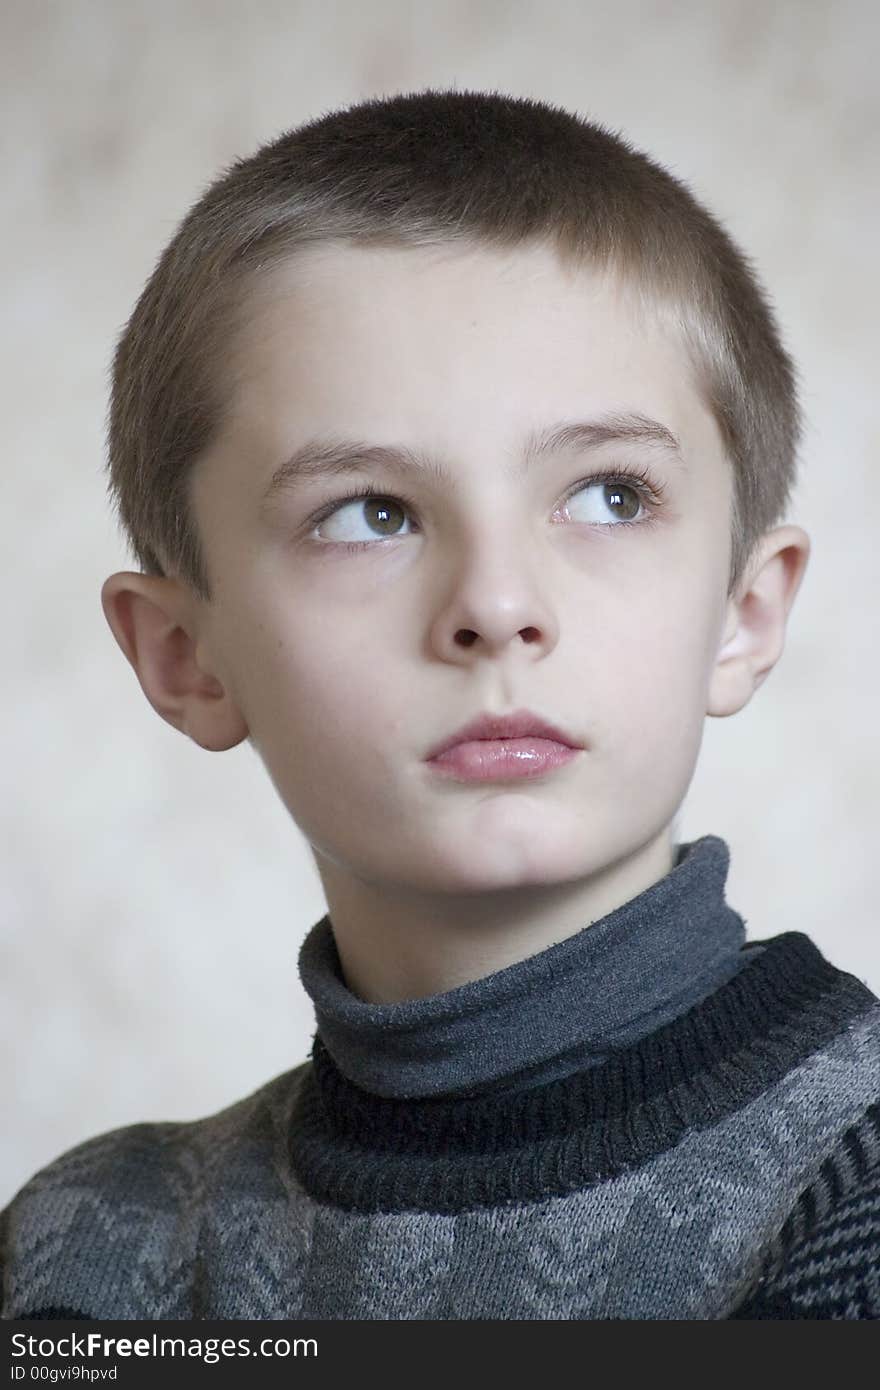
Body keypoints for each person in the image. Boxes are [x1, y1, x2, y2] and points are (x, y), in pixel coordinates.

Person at [2, 87, 877, 1322]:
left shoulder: (849, 1196)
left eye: (609, 494)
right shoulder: (79, 1256)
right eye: (370, 512)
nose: (497, 604)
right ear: (186, 656)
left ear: (743, 613)